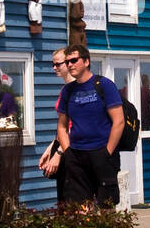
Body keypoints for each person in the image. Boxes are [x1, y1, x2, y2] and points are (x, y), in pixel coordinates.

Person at [54, 45, 125, 208]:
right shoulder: (68, 90)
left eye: (73, 60)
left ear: (86, 61)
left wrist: (107, 151)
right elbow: (62, 126)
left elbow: (119, 121)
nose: (70, 65)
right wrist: (68, 152)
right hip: (77, 155)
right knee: (80, 208)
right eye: (67, 62)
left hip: (102, 152)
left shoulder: (104, 85)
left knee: (106, 207)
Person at [39, 48, 75, 201]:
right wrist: (51, 147)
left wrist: (59, 154)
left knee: (71, 198)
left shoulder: (77, 90)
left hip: (73, 150)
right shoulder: (65, 90)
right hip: (62, 144)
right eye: (52, 64)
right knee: (62, 198)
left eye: (58, 64)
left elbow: (75, 127)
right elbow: (63, 124)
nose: (54, 68)